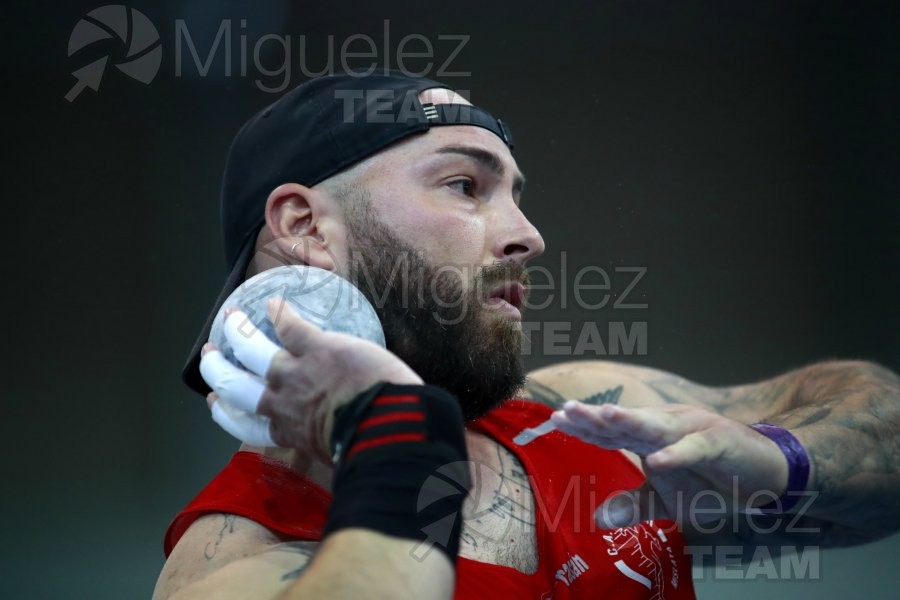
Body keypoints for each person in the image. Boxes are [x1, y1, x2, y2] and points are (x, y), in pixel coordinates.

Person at [153, 72, 900, 600]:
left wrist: (782, 461)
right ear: (306, 225)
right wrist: (399, 427)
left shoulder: (581, 421)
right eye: (465, 186)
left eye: (516, 195)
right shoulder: (232, 555)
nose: (530, 237)